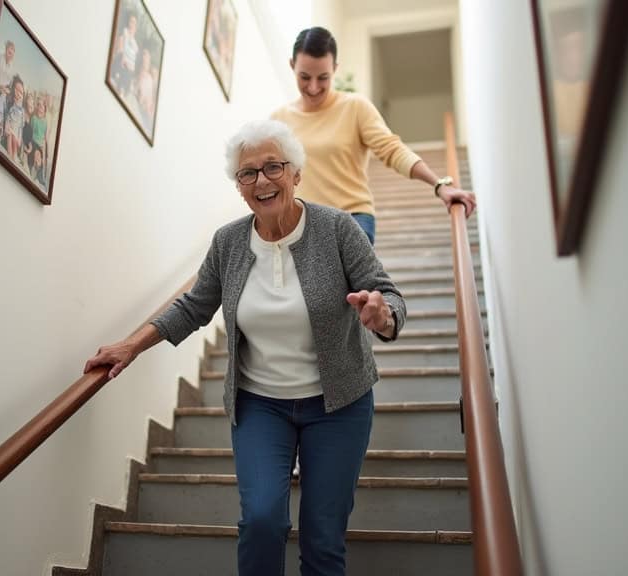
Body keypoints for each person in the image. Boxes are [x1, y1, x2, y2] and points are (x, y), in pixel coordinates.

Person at [84, 119, 406, 576]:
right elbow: (195, 306)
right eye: (247, 173)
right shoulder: (229, 242)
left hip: (339, 405)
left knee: (323, 536)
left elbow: (388, 294)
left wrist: (382, 315)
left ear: (296, 173)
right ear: (239, 187)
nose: (261, 180)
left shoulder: (337, 228)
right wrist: (131, 346)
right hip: (261, 406)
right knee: (261, 521)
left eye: (273, 167)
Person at [271, 26, 477, 244]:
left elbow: (392, 149)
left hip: (351, 220)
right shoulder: (279, 120)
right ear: (292, 66)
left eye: (323, 77)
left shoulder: (355, 107)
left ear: (335, 68)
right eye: (304, 77)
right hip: (300, 227)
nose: (313, 87)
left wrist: (439, 185)